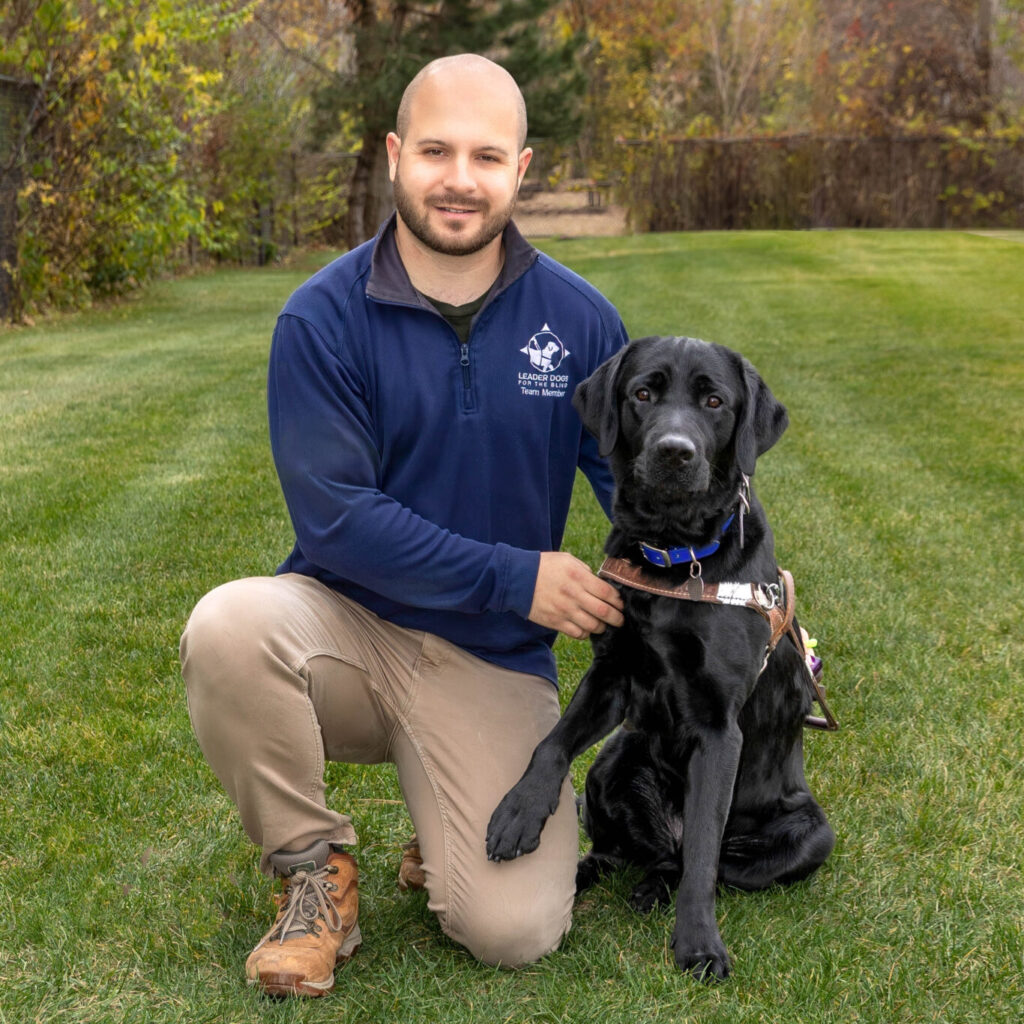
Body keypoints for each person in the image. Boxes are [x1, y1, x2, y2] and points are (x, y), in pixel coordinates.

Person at [180, 53, 627, 997]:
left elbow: (644, 494)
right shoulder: (321, 319)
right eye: (435, 150)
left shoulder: (581, 325)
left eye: (485, 156)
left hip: (493, 662)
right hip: (345, 631)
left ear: (522, 169)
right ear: (394, 155)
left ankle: (446, 835)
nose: (459, 180)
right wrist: (519, 576)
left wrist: (744, 576)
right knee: (229, 624)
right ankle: (313, 873)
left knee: (515, 930)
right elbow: (338, 522)